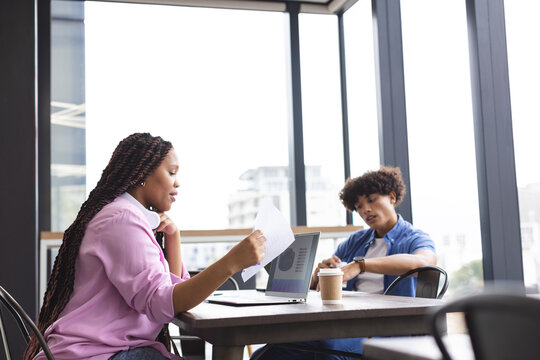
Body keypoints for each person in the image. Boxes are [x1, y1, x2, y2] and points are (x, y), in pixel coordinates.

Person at [26, 133, 266, 360]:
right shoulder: (121, 220)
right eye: (171, 173)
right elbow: (163, 304)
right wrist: (231, 262)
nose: (177, 183)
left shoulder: (124, 216)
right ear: (143, 174)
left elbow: (174, 295)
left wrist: (173, 237)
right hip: (99, 354)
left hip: (104, 351)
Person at [252, 166, 436, 360]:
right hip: (349, 325)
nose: (365, 209)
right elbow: (318, 287)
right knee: (273, 350)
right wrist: (319, 273)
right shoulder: (355, 241)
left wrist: (360, 265)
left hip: (390, 331)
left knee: (328, 348)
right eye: (358, 206)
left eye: (371, 200)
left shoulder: (414, 237)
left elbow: (424, 263)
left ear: (391, 197)